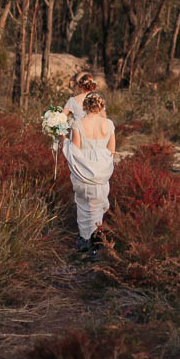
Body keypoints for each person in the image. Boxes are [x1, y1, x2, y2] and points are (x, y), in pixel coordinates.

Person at [64, 91, 114, 259]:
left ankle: (84, 240)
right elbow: (111, 150)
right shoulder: (109, 124)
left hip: (84, 170)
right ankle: (95, 243)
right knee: (97, 207)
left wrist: (64, 140)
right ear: (100, 106)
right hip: (101, 171)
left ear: (85, 106)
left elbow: (75, 150)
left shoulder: (78, 124)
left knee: (84, 205)